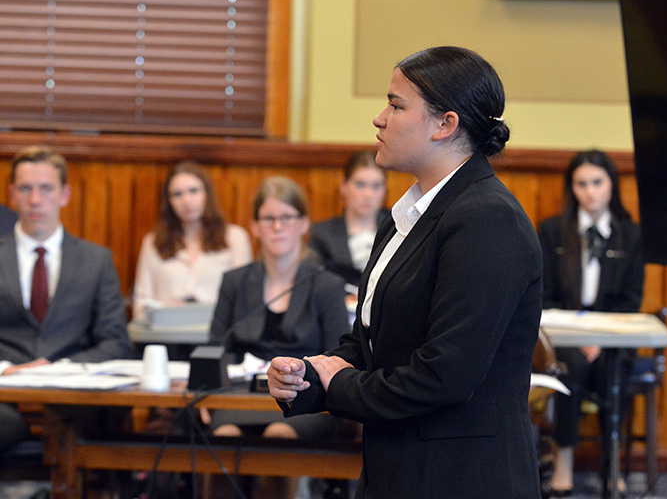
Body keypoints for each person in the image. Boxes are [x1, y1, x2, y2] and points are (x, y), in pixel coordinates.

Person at [268, 46, 544, 499]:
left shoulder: (487, 220)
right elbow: (370, 343)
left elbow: (444, 375)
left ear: (445, 124)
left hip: (461, 477)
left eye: (396, 106)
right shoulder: (405, 216)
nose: (379, 118)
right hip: (396, 467)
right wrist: (307, 378)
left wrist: (337, 384)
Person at [207, 176, 350, 498]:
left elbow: (338, 353)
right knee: (225, 436)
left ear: (303, 224)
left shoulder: (326, 285)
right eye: (268, 219)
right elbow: (216, 346)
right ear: (254, 227)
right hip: (240, 396)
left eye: (287, 218)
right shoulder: (235, 281)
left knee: (278, 435)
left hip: (304, 400)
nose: (277, 227)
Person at [0, 145, 133, 453]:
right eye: (25, 188)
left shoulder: (95, 260)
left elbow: (116, 342)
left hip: (76, 393)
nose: (35, 200)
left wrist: (55, 368)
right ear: (12, 195)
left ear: (65, 194)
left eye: (46, 188)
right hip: (5, 394)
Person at [537, 149, 645, 496]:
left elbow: (630, 300)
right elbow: (546, 295)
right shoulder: (553, 231)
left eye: (597, 182)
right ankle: (564, 459)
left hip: (614, 336)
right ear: (572, 188)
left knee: (612, 367)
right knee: (571, 364)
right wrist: (580, 336)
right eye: (581, 184)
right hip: (565, 334)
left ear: (612, 184)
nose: (590, 191)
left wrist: (601, 339)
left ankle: (611, 463)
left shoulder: (630, 235)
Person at [132, 161, 252, 322]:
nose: (186, 200)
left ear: (207, 194)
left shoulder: (234, 238)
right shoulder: (153, 242)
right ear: (169, 201)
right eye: (177, 194)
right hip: (167, 333)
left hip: (215, 334)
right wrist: (166, 310)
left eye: (193, 191)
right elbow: (140, 305)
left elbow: (244, 301)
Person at [308, 150, 389, 311]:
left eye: (376, 186)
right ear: (343, 186)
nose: (368, 194)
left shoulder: (398, 228)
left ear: (385, 189)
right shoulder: (323, 233)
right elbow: (314, 282)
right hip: (339, 311)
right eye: (360, 185)